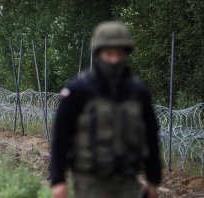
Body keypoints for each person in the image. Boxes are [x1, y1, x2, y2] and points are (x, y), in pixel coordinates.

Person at [50, 21, 162, 198]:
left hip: (127, 180)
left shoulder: (138, 92)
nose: (114, 60)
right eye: (109, 54)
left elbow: (151, 136)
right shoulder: (79, 90)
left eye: (119, 54)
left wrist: (153, 179)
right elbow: (61, 136)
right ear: (99, 53)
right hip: (90, 180)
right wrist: (58, 180)